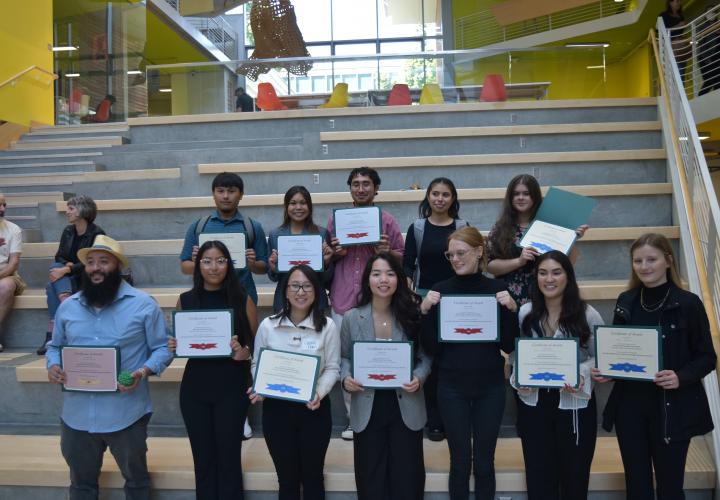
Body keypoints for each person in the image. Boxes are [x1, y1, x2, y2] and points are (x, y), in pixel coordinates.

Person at [45, 235, 172, 500]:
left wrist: (143, 372)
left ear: (118, 267)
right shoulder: (68, 307)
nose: (95, 268)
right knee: (81, 485)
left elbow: (162, 348)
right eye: (90, 262)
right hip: (76, 416)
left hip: (126, 413)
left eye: (104, 261)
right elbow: (55, 346)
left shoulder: (143, 304)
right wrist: (54, 364)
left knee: (136, 482)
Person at [593, 233, 716, 500]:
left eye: (652, 259)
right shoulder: (626, 300)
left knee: (670, 488)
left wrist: (681, 377)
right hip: (630, 409)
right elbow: (619, 349)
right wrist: (608, 371)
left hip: (672, 409)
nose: (644, 266)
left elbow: (708, 357)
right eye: (638, 260)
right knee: (636, 486)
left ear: (668, 261)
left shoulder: (688, 303)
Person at [420, 226, 519, 500]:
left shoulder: (498, 289)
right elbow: (431, 347)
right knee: (460, 463)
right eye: (450, 254)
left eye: (461, 252)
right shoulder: (439, 292)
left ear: (479, 252)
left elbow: (509, 345)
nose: (455, 259)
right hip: (451, 388)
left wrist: (511, 311)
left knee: (486, 464)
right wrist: (426, 311)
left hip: (490, 389)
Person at [511, 250, 603, 500]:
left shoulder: (588, 314)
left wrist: (581, 373)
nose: (548, 279)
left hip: (574, 406)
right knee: (539, 478)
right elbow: (518, 358)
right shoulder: (525, 313)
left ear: (568, 277)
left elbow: (601, 358)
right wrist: (519, 380)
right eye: (542, 273)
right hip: (534, 406)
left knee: (575, 478)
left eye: (556, 272)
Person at [168, 240, 256, 499]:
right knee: (203, 459)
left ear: (229, 264)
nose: (214, 267)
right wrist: (176, 344)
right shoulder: (185, 300)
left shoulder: (243, 298)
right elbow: (182, 344)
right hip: (196, 388)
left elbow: (253, 345)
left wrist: (244, 353)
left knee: (229, 457)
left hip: (231, 386)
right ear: (198, 265)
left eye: (220, 260)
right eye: (207, 261)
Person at [340, 253, 430, 500]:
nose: (383, 279)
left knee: (407, 478)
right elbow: (345, 357)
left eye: (390, 274)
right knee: (371, 478)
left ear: (399, 279)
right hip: (367, 404)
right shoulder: (351, 317)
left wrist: (419, 377)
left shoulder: (413, 313)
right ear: (368, 279)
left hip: (406, 404)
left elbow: (425, 357)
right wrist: (346, 378)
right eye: (377, 273)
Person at [249, 265, 339, 500]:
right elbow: (256, 364)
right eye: (295, 286)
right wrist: (260, 386)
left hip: (314, 411)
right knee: (287, 480)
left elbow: (332, 368)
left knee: (313, 478)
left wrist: (318, 393)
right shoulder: (268, 325)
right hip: (277, 412)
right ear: (285, 291)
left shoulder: (328, 326)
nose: (301, 291)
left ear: (316, 291)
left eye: (307, 286)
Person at [327, 166, 404, 440]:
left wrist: (386, 253)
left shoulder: (388, 221)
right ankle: (353, 420)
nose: (361, 188)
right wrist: (335, 253)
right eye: (356, 184)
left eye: (366, 184)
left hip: (379, 301)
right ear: (350, 188)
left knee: (375, 360)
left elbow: (403, 258)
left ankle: (384, 416)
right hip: (344, 299)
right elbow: (324, 260)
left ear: (376, 188)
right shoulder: (335, 222)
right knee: (346, 361)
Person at [402, 177, 468, 442]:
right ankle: (434, 420)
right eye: (435, 194)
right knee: (430, 359)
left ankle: (457, 419)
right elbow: (407, 266)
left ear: (453, 199)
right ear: (427, 197)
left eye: (446, 195)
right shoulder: (417, 228)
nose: (440, 199)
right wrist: (413, 296)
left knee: (454, 361)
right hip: (425, 301)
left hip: (456, 301)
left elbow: (471, 261)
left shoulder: (462, 227)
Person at [180, 172, 268, 305]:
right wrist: (198, 263)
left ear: (241, 194)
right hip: (206, 297)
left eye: (231, 191)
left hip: (243, 297)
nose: (226, 196)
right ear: (213, 194)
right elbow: (185, 267)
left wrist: (253, 265)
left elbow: (264, 268)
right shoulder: (199, 227)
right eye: (220, 191)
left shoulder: (252, 227)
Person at [39, 195, 105, 355]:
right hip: (69, 277)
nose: (67, 212)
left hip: (88, 278)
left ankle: (52, 335)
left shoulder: (97, 233)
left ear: (82, 211)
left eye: (71, 209)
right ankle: (65, 299)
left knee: (51, 286)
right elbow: (60, 256)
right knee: (55, 268)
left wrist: (67, 269)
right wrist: (66, 266)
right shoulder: (68, 231)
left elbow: (93, 263)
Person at [267, 186, 333, 312]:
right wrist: (273, 268)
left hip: (315, 301)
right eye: (293, 203)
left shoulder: (322, 234)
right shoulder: (275, 235)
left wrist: (326, 263)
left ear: (310, 207)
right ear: (286, 207)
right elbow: (273, 277)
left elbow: (327, 278)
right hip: (284, 301)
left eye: (303, 203)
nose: (298, 207)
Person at [486, 174, 543, 306]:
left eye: (526, 193)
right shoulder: (500, 228)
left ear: (535, 196)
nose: (521, 198)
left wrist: (572, 238)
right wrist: (519, 261)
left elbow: (567, 262)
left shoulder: (546, 227)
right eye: (516, 194)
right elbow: (489, 266)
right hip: (508, 298)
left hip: (542, 297)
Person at [0, 192, 26, 352]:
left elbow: (14, 263)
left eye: (4, 205)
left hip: (7, 274)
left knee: (5, 287)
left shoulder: (13, 229)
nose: (2, 208)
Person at [659, 0, 689, 81]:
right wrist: (678, 25)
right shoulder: (663, 15)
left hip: (681, 48)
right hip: (671, 48)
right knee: (676, 71)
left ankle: (680, 92)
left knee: (682, 72)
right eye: (677, 1)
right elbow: (661, 31)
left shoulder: (681, 16)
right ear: (670, 2)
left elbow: (679, 32)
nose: (679, 3)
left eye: (680, 1)